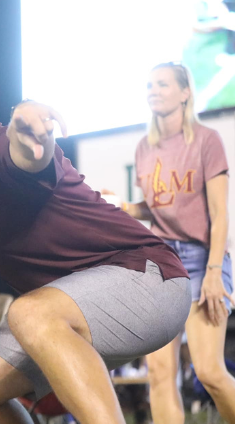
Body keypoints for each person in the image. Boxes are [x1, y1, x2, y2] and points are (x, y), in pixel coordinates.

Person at [0, 56, 192, 424]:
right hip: (72, 309)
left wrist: (30, 128)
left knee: (28, 311)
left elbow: (28, 155)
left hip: (149, 281)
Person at [122, 62, 235, 424]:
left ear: (185, 92)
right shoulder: (144, 147)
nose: (153, 90)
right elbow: (158, 206)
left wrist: (215, 272)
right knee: (158, 374)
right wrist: (124, 207)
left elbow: (220, 215)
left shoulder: (206, 140)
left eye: (163, 84)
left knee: (210, 372)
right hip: (160, 261)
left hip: (203, 259)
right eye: (150, 85)